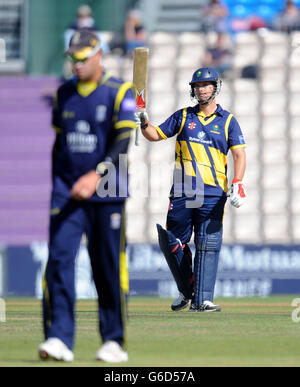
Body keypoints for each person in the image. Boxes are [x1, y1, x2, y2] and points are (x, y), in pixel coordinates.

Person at [38, 29, 136, 362]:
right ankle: (58, 338)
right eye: (72, 59)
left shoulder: (119, 91)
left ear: (98, 54)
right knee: (59, 262)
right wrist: (58, 186)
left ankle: (113, 340)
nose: (76, 65)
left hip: (107, 190)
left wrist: (97, 175)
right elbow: (58, 145)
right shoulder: (63, 94)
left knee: (106, 266)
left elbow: (123, 142)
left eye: (82, 58)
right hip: (67, 192)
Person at [136, 67, 246, 312]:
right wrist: (143, 122)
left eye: (206, 84)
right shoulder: (184, 116)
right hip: (184, 190)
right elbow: (155, 135)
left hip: (214, 192)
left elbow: (239, 154)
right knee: (174, 242)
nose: (202, 89)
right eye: (198, 85)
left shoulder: (228, 120)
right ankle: (186, 292)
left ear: (215, 87)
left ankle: (203, 300)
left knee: (208, 244)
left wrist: (237, 183)